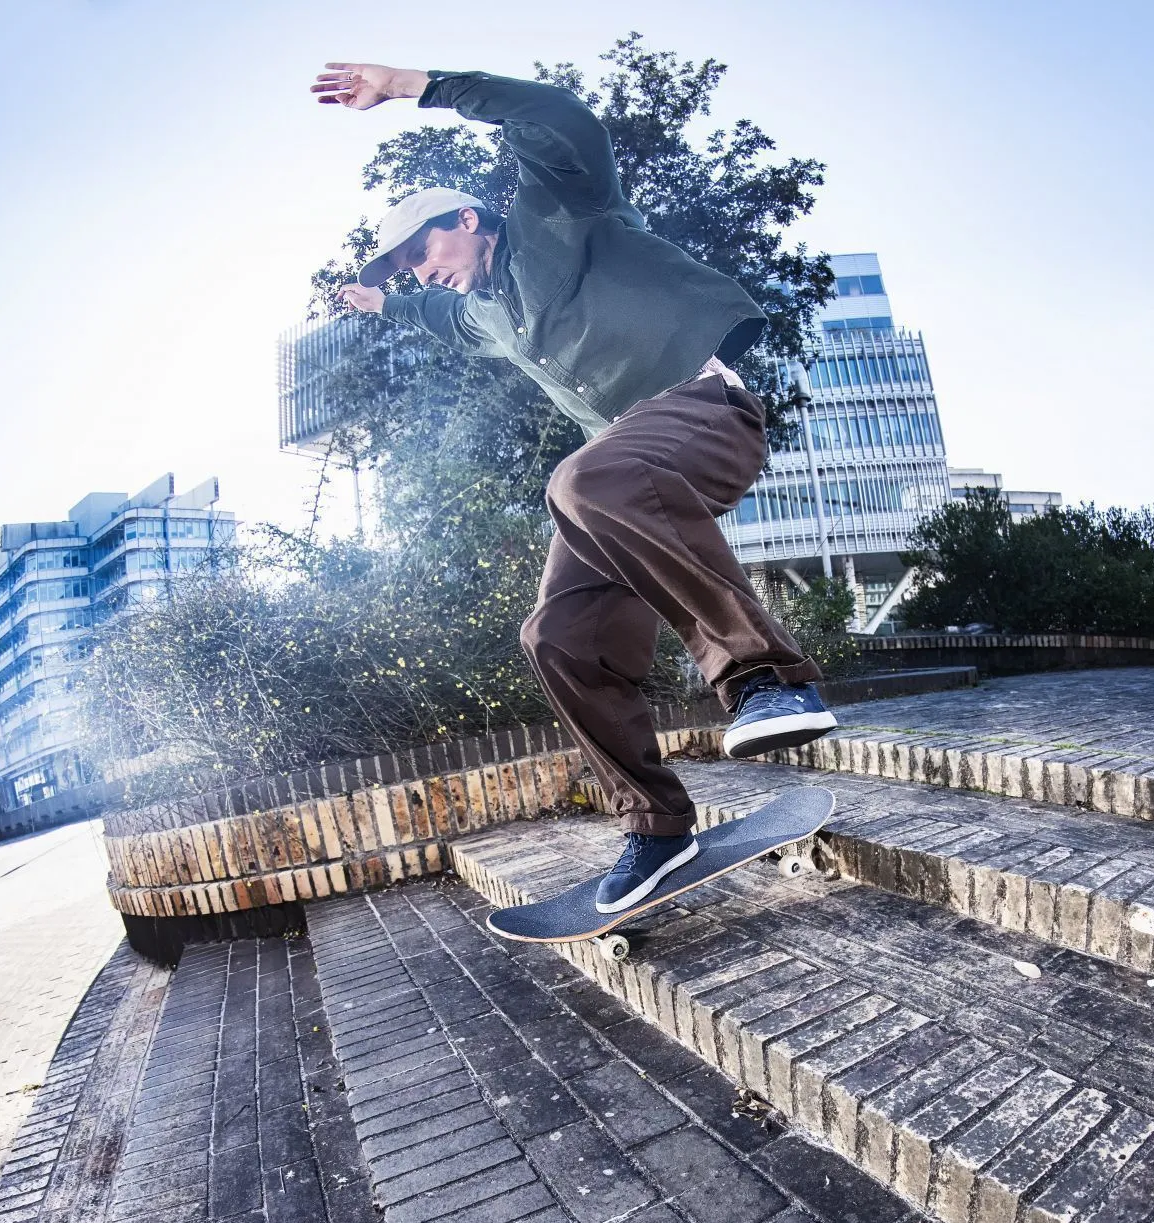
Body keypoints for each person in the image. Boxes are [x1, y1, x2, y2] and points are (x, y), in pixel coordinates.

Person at [313, 61, 838, 913]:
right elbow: (433, 316)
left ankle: (765, 678)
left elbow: (558, 117)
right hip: (622, 477)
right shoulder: (485, 312)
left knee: (583, 475)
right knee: (557, 636)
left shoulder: (558, 212)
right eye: (407, 264)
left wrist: (412, 85)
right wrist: (378, 302)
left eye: (426, 250)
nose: (423, 270)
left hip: (705, 409)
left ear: (469, 218)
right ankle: (658, 828)